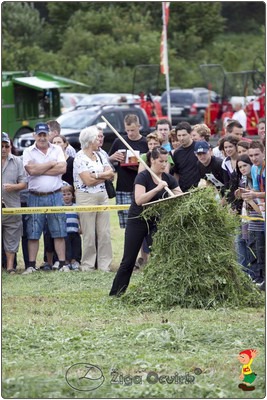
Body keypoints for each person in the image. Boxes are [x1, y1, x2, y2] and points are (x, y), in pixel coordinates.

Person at [109, 147, 182, 296]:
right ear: (152, 160)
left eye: (165, 161)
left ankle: (158, 291)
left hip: (156, 221)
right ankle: (116, 293)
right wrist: (157, 188)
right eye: (160, 161)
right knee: (128, 260)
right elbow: (139, 199)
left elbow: (180, 196)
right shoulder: (142, 177)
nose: (164, 164)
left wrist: (176, 196)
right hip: (137, 220)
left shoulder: (168, 179)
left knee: (159, 257)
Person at [22, 123, 68, 274]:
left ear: (49, 134)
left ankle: (62, 264)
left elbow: (62, 168)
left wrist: (39, 169)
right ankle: (31, 265)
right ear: (34, 135)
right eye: (39, 135)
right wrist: (50, 163)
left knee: (59, 230)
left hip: (55, 194)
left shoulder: (57, 149)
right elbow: (30, 170)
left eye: (44, 134)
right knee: (33, 231)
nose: (42, 137)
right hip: (35, 196)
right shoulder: (28, 151)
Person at [73, 125, 115, 272]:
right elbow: (87, 182)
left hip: (102, 196)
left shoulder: (101, 155)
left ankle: (105, 266)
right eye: (97, 138)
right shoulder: (79, 158)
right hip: (85, 198)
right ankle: (88, 265)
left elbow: (111, 174)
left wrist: (96, 176)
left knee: (104, 233)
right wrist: (103, 177)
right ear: (90, 140)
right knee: (89, 234)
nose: (99, 140)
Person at [109, 114, 148, 229]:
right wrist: (112, 157)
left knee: (142, 224)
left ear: (139, 127)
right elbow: (107, 161)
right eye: (128, 130)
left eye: (133, 130)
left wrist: (140, 165)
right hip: (123, 188)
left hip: (141, 188)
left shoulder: (145, 143)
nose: (130, 133)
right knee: (126, 226)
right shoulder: (119, 141)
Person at [2, 132, 27, 274]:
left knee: (12, 238)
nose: (4, 149)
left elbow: (24, 183)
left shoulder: (17, 161)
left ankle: (11, 267)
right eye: (1, 146)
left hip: (12, 206)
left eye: (7, 146)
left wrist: (14, 187)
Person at [241, 141, 265, 290]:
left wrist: (255, 194)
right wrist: (247, 195)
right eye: (251, 156)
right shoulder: (255, 169)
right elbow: (256, 190)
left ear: (264, 152)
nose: (254, 158)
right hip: (263, 211)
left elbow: (257, 192)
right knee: (261, 247)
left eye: (257, 154)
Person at [172, 121, 200, 192]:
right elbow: (176, 173)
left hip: (199, 189)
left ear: (190, 134)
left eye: (184, 135)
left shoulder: (199, 147)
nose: (181, 138)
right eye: (179, 135)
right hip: (183, 190)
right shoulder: (177, 153)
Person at [61, 184, 82, 271]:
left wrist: (81, 227)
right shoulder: (60, 207)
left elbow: (79, 217)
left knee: (76, 247)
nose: (66, 197)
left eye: (69, 194)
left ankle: (75, 262)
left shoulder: (76, 206)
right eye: (64, 195)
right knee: (67, 248)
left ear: (72, 195)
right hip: (65, 232)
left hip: (75, 231)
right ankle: (67, 262)